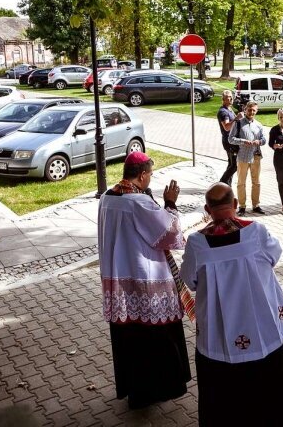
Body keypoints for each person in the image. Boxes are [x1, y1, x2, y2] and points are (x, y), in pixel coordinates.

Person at [180, 183, 283, 426]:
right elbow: (274, 256)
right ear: (235, 205)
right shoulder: (256, 232)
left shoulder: (196, 244)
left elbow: (189, 281)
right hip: (264, 324)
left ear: (207, 210)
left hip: (220, 332)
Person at [97, 151, 192, 409]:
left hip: (117, 279)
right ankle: (155, 391)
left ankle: (134, 391)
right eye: (150, 174)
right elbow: (170, 233)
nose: (150, 178)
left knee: (129, 339)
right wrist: (170, 204)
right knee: (153, 339)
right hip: (145, 280)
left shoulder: (107, 197)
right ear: (141, 175)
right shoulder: (138, 202)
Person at [228, 101, 267, 216]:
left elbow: (264, 139)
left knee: (256, 182)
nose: (251, 112)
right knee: (241, 183)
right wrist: (243, 141)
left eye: (254, 110)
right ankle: (242, 206)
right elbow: (231, 139)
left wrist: (259, 141)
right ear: (245, 110)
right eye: (249, 110)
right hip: (243, 156)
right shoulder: (238, 123)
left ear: (256, 111)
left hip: (256, 156)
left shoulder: (259, 125)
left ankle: (256, 205)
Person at [217, 90, 242, 185]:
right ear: (223, 99)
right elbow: (227, 127)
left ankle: (227, 185)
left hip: (232, 141)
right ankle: (222, 182)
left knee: (231, 164)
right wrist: (236, 118)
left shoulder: (229, 109)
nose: (231, 99)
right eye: (228, 97)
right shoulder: (223, 112)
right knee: (234, 165)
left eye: (231, 97)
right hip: (229, 142)